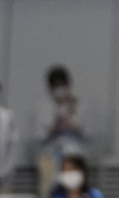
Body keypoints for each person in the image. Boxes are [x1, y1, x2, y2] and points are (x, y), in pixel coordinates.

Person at [34, 66, 88, 198]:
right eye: (56, 85)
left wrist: (74, 125)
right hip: (50, 157)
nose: (59, 89)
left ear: (68, 84)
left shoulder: (79, 104)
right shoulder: (44, 106)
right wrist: (53, 126)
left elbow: (91, 134)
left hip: (74, 155)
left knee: (74, 190)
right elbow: (37, 136)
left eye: (62, 84)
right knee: (48, 191)